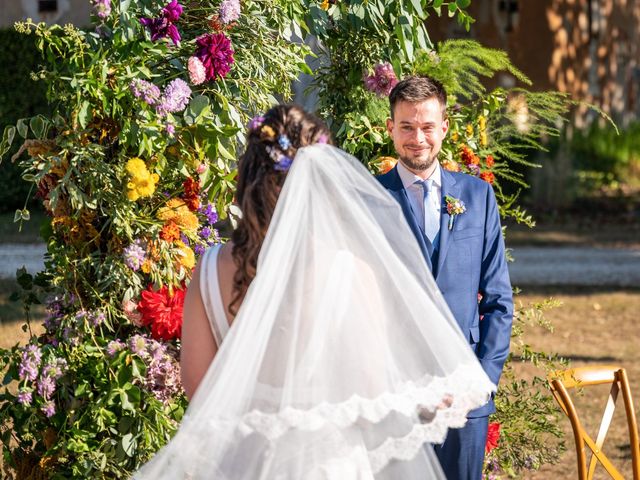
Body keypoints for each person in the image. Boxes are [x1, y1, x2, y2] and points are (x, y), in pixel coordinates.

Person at [133, 104, 495, 479]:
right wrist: (422, 405)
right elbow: (372, 396)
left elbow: (201, 393)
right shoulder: (351, 272)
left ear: (249, 177)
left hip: (239, 467)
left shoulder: (209, 269)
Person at [378, 76, 514, 479]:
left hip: (465, 398)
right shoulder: (370, 199)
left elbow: (499, 301)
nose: (417, 138)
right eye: (406, 126)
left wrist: (481, 382)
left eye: (427, 126)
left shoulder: (477, 197)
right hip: (396, 396)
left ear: (445, 127)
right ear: (390, 128)